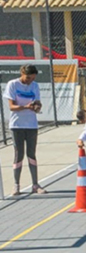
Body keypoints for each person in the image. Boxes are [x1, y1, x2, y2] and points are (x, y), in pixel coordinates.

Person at [4, 64, 43, 195]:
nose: (29, 81)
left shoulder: (35, 86)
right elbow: (11, 106)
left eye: (32, 78)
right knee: (18, 154)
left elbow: (38, 103)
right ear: (22, 73)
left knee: (31, 154)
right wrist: (26, 107)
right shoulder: (12, 84)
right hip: (17, 125)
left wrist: (36, 107)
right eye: (28, 78)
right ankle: (16, 185)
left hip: (31, 125)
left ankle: (35, 184)